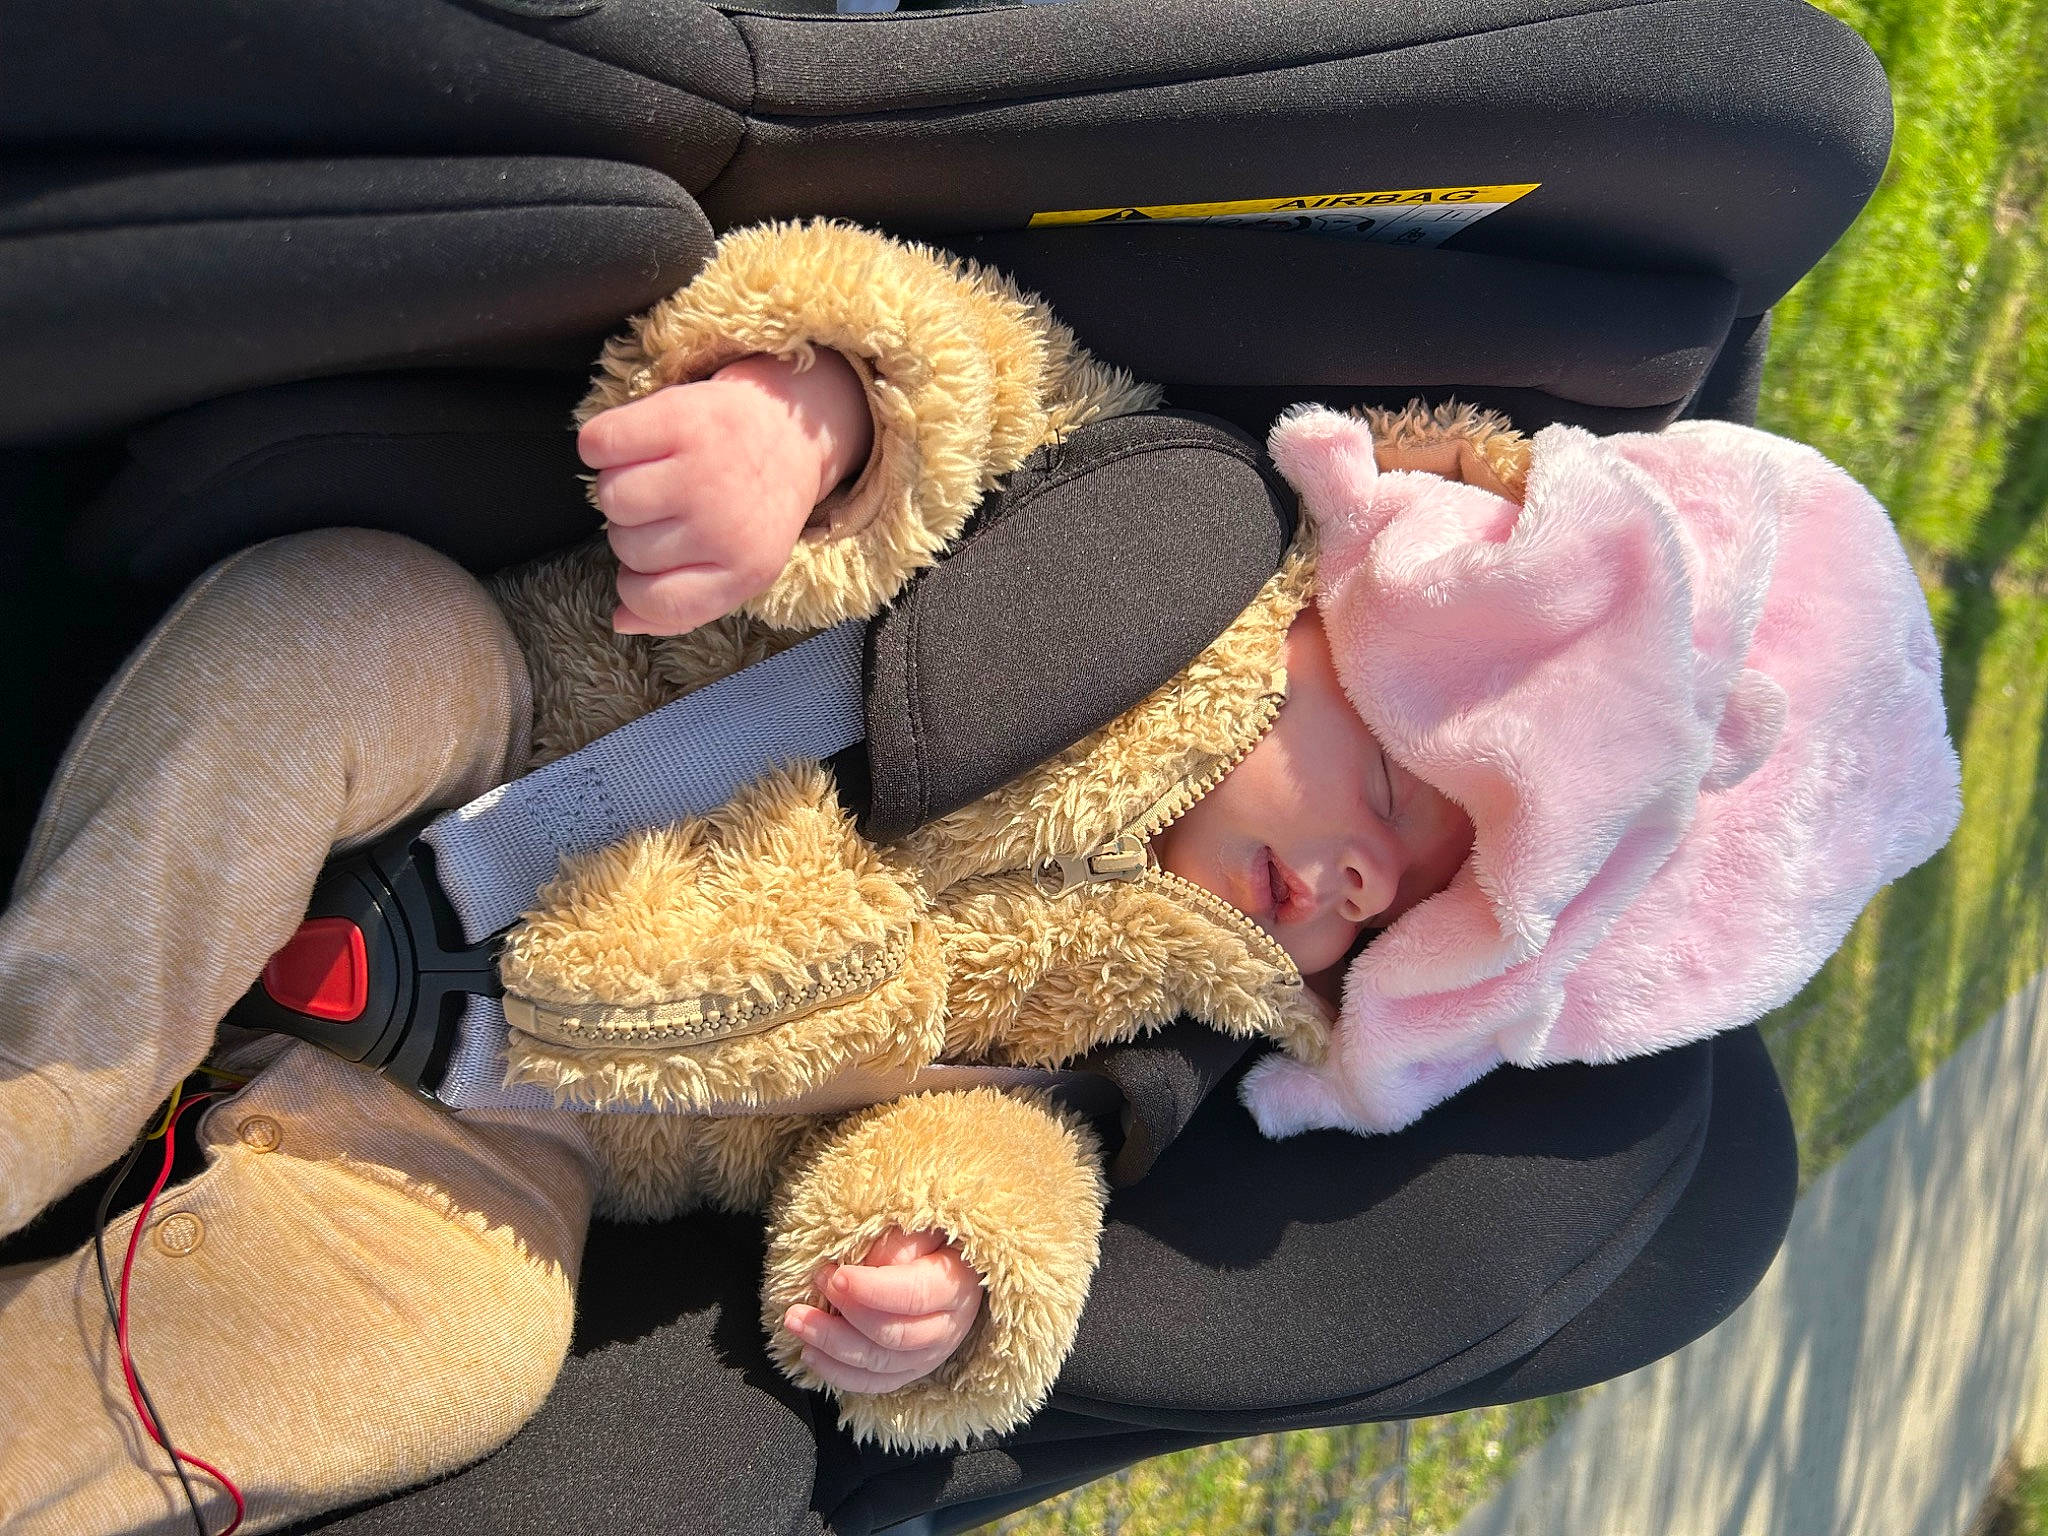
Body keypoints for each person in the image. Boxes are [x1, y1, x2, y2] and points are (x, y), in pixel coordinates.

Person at [0, 219, 1955, 1535]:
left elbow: (1026, 1153)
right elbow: (953, 358)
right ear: (1353, 603)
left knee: (453, 1353)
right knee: (334, 641)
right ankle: (45, 1080)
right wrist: (800, 414)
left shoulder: (1159, 1012)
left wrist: (949, 1280)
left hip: (508, 1134)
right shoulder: (1161, 533)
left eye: (1400, 910)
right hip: (484, 731)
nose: (1351, 879)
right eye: (1388, 788)